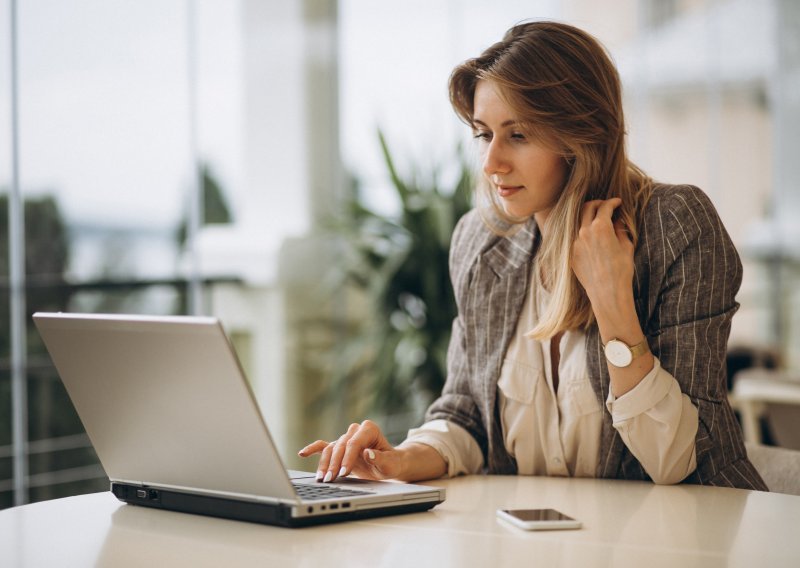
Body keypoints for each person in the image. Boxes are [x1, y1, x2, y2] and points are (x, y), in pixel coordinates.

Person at [299, 20, 767, 490]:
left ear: (579, 137)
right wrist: (401, 459)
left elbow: (678, 460)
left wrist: (612, 302)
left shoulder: (675, 226)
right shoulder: (482, 243)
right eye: (484, 134)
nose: (491, 162)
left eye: (518, 135)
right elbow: (467, 413)